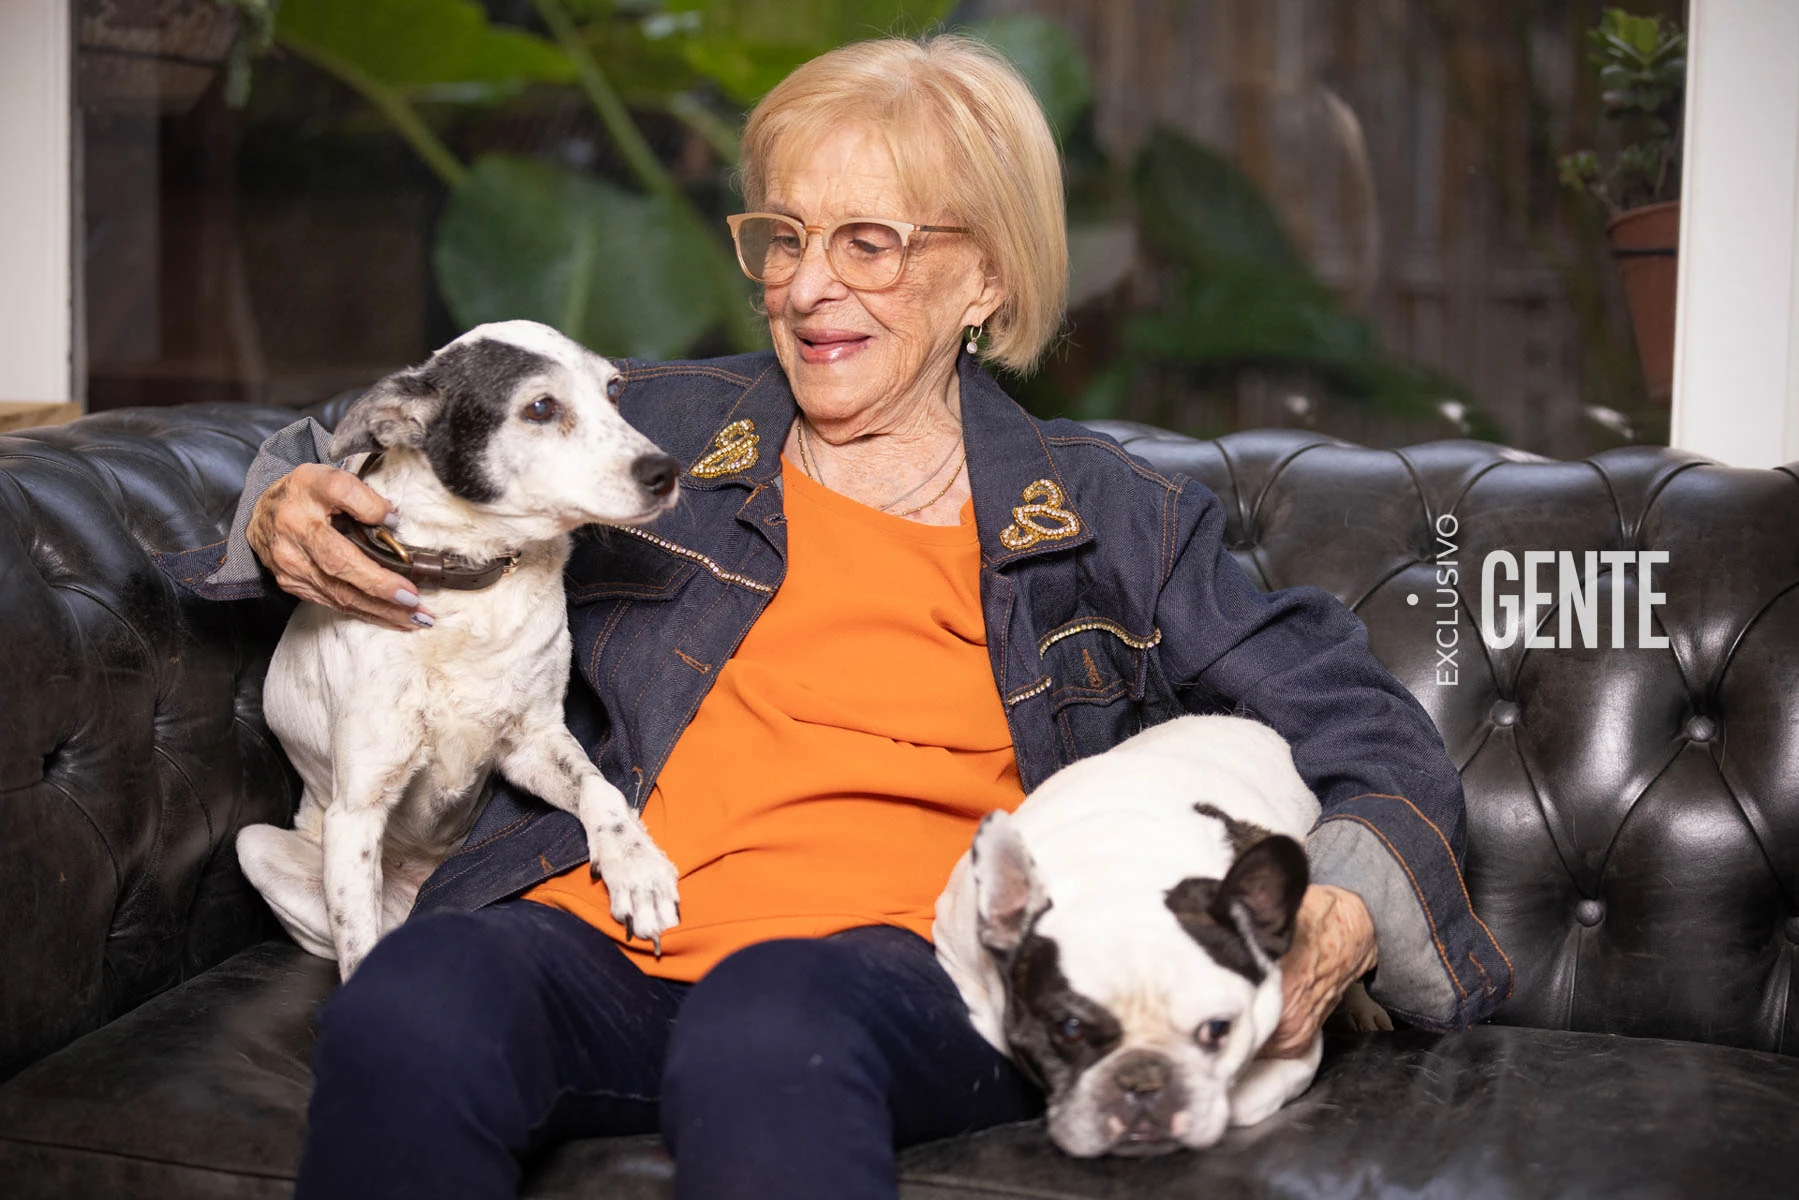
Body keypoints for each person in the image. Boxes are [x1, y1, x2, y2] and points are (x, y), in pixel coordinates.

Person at [168, 33, 1510, 1200]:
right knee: (415, 997)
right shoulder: (662, 426)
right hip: (595, 935)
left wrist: (1337, 910)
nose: (809, 287)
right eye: (784, 238)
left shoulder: (1112, 516)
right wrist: (289, 503)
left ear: (981, 278)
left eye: (868, 244)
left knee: (770, 1013)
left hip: (891, 980)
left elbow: (1357, 719)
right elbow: (381, 421)